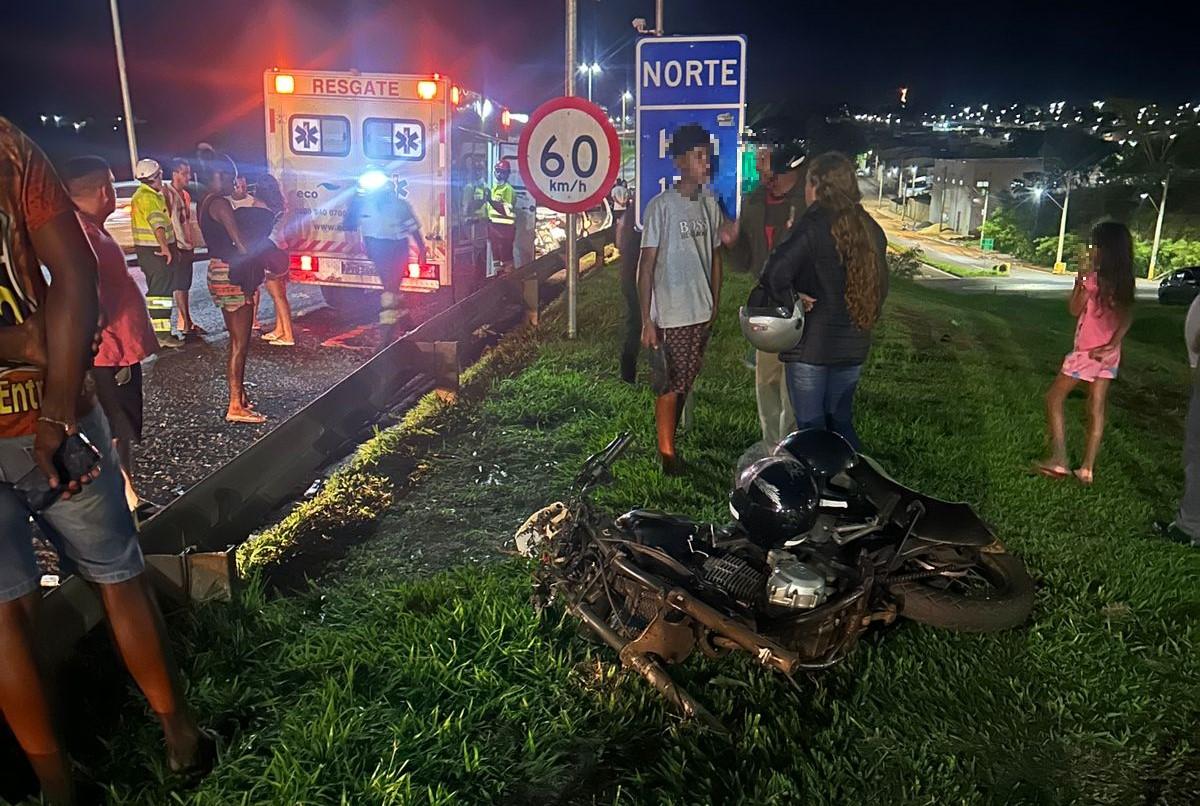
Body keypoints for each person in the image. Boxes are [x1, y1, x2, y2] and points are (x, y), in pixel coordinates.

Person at [0, 118, 210, 805]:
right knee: (119, 578)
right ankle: (180, 736)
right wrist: (55, 407)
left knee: (3, 615)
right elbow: (77, 270)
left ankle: (55, 784)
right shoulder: (7, 144)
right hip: (43, 408)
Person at [759, 152, 889, 451]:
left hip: (811, 348)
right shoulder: (870, 228)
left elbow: (774, 273)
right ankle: (853, 484)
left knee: (810, 428)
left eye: (808, 183)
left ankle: (818, 492)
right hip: (854, 343)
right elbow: (881, 287)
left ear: (817, 185)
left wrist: (792, 300)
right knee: (840, 421)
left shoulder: (813, 224)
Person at [62, 156, 160, 519]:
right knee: (113, 428)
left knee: (120, 425)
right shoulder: (82, 238)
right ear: (104, 190)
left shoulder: (90, 229)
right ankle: (126, 500)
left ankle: (127, 494)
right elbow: (83, 299)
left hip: (117, 350)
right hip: (108, 352)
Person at [638, 123, 734, 475]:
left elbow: (715, 258)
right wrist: (647, 319)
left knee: (685, 379)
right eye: (697, 157)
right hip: (671, 311)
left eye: (707, 157)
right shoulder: (661, 208)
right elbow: (645, 266)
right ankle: (667, 453)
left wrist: (714, 301)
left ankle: (671, 442)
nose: (705, 163)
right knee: (669, 381)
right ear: (679, 161)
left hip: (700, 309)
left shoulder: (709, 204)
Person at [1036, 221, 1135, 484]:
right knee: (1096, 408)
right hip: (1109, 355)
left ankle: (1059, 459)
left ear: (1103, 250)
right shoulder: (1124, 282)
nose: (1090, 250)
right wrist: (1114, 343)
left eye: (1093, 245)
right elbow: (1127, 317)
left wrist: (1079, 284)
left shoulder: (1093, 281)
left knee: (1054, 398)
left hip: (1087, 354)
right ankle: (1087, 469)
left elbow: (1074, 309)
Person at [731, 141, 808, 444]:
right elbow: (742, 261)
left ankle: (793, 452)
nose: (758, 165)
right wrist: (732, 242)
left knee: (795, 391)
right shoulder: (753, 202)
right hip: (767, 309)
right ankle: (771, 450)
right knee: (766, 384)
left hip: (803, 309)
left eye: (763, 158)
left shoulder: (809, 200)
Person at [198, 162, 265, 424]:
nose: (235, 183)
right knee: (241, 343)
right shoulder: (221, 204)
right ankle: (235, 405)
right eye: (232, 177)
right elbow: (241, 243)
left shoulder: (205, 202)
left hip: (217, 269)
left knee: (236, 339)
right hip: (232, 273)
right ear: (221, 176)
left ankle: (241, 396)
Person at [349, 170, 425, 336]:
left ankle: (389, 327)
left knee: (391, 286)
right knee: (391, 287)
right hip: (380, 249)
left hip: (396, 248)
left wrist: (422, 250)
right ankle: (398, 323)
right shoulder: (364, 204)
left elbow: (413, 228)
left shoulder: (399, 205)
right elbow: (350, 223)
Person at [130, 158, 182, 349]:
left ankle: (158, 333)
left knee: (158, 293)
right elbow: (157, 224)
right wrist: (165, 248)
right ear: (156, 176)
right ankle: (162, 335)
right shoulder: (149, 198)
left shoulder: (141, 195)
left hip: (148, 252)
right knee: (161, 294)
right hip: (156, 252)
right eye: (160, 174)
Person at [250, 174, 296, 346]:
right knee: (280, 294)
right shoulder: (280, 205)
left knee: (277, 295)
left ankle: (288, 335)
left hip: (270, 250)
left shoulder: (260, 206)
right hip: (282, 249)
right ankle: (280, 329)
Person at [162, 158, 203, 339]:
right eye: (184, 173)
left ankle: (185, 320)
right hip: (177, 246)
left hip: (186, 245)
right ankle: (185, 324)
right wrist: (171, 245)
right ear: (175, 173)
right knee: (179, 285)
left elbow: (186, 223)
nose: (188, 177)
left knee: (184, 285)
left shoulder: (185, 195)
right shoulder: (167, 193)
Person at [488, 159, 517, 274]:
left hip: (505, 230)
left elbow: (506, 210)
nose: (500, 174)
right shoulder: (494, 188)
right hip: (494, 227)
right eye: (498, 171)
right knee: (496, 258)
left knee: (506, 257)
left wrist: (491, 201)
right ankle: (497, 278)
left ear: (507, 174)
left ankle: (509, 281)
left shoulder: (508, 190)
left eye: (503, 172)